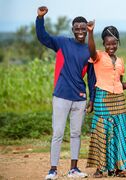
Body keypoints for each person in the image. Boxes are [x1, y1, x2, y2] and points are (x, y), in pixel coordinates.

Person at [36, 6, 95, 180]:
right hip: (61, 95)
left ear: (87, 29)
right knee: (58, 133)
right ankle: (53, 170)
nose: (80, 31)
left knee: (76, 134)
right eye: (77, 28)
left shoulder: (89, 50)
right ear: (72, 29)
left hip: (79, 98)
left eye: (83, 28)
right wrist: (40, 19)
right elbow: (43, 37)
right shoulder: (62, 43)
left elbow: (91, 77)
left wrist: (91, 97)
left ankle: (73, 170)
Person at [86, 21, 126, 178]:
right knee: (102, 133)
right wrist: (90, 32)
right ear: (103, 43)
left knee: (118, 134)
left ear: (118, 43)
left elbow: (120, 84)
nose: (111, 47)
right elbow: (91, 50)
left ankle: (118, 168)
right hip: (103, 100)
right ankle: (100, 168)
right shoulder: (98, 57)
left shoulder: (121, 61)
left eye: (114, 43)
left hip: (118, 102)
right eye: (108, 44)